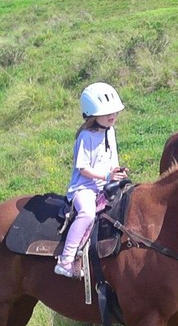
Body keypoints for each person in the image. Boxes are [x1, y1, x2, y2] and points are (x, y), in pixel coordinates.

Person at [55, 82, 128, 278]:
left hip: (104, 185)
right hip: (84, 188)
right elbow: (83, 168)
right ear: (93, 115)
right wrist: (106, 176)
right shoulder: (85, 137)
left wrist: (117, 172)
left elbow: (112, 159)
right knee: (87, 214)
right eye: (106, 113)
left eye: (114, 112)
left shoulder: (110, 131)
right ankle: (66, 259)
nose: (112, 116)